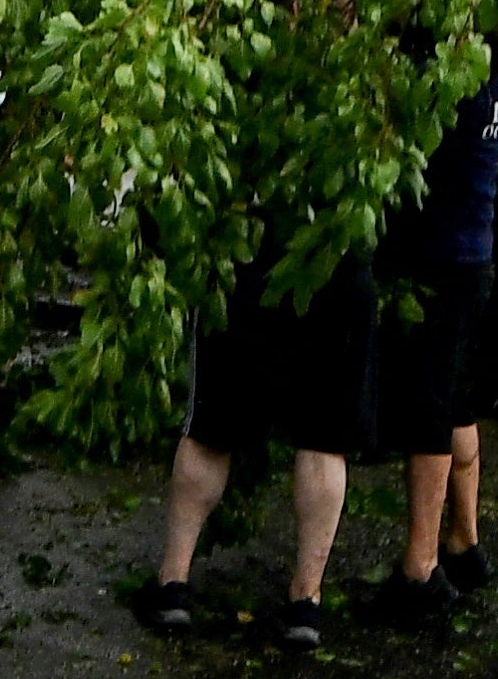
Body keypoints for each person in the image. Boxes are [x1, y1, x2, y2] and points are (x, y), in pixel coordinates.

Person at [372, 0, 498, 629]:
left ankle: (419, 572)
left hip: (441, 263)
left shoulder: (449, 84)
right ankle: (465, 544)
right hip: (474, 261)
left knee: (429, 414)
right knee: (457, 403)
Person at [129, 229, 380, 653]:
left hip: (247, 256)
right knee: (323, 439)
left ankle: (172, 585)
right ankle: (305, 602)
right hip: (338, 254)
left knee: (211, 427)